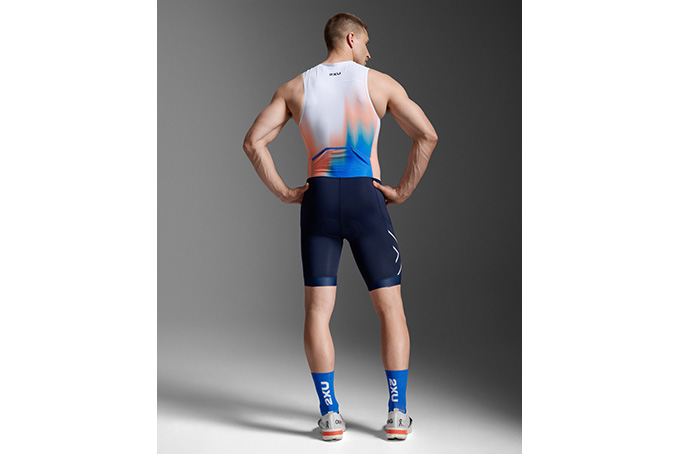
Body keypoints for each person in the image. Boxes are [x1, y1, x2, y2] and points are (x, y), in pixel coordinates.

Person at [242, 12, 437, 441]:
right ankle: (397, 413)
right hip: (366, 200)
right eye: (366, 43)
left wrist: (285, 192)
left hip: (320, 200)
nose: (369, 52)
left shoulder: (295, 87)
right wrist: (402, 191)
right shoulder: (379, 83)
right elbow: (427, 135)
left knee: (317, 311)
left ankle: (330, 415)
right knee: (390, 309)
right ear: (350, 39)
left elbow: (253, 142)